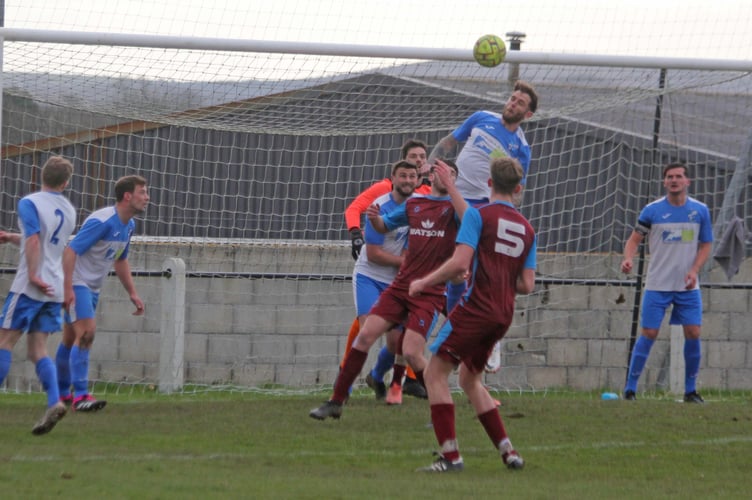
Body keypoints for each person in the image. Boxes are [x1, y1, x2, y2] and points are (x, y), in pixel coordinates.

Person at [409, 157, 536, 472]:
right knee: (469, 378)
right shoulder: (527, 229)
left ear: (489, 184)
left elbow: (459, 264)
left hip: (476, 306)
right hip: (502, 313)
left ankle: (450, 457)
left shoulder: (480, 216)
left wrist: (423, 281)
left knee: (434, 373)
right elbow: (526, 284)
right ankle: (509, 452)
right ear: (518, 188)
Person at [310, 160, 462, 420]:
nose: (444, 176)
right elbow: (384, 224)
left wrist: (451, 186)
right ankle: (336, 400)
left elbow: (471, 220)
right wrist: (374, 218)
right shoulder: (415, 204)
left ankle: (443, 409)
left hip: (429, 291)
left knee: (413, 353)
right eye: (440, 171)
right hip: (401, 285)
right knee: (366, 335)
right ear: (430, 176)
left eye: (451, 174)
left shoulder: (454, 209)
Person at [429, 80, 538, 373]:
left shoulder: (521, 148)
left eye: (520, 103)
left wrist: (508, 217)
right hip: (449, 197)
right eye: (513, 98)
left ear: (528, 114)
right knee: (447, 268)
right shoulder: (481, 118)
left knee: (473, 269)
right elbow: (449, 143)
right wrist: (430, 164)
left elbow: (517, 187)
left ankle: (489, 340)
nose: (513, 103)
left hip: (479, 206)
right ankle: (454, 329)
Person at [342, 139, 432, 401]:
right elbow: (354, 209)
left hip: (402, 278)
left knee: (401, 339)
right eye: (412, 156)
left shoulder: (425, 198)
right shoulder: (383, 193)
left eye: (422, 157)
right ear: (396, 173)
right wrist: (355, 234)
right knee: (364, 330)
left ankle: (393, 381)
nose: (417, 160)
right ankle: (344, 386)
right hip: (374, 272)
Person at [621, 163, 712, 403]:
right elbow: (633, 240)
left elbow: (706, 245)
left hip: (687, 287)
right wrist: (628, 259)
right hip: (657, 284)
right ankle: (630, 389)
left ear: (687, 182)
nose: (674, 180)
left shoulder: (700, 211)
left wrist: (694, 270)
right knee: (649, 332)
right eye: (670, 177)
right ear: (664, 183)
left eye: (679, 176)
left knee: (693, 332)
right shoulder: (652, 211)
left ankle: (690, 391)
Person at [55, 175, 148, 412]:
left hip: (91, 287)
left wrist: (133, 293)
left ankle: (63, 394)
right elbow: (69, 251)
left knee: (69, 339)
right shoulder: (103, 221)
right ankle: (81, 396)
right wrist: (67, 289)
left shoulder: (129, 225)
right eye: (142, 192)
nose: (147, 197)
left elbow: (120, 261)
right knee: (86, 333)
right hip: (76, 283)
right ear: (128, 196)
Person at [0, 156, 77, 435]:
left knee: (5, 340)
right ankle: (54, 400)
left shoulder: (29, 202)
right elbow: (44, 241)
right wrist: (11, 237)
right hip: (54, 288)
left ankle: (54, 400)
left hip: (32, 285)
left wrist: (32, 275)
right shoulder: (69, 210)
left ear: (41, 175)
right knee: (38, 350)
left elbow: (34, 240)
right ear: (65, 182)